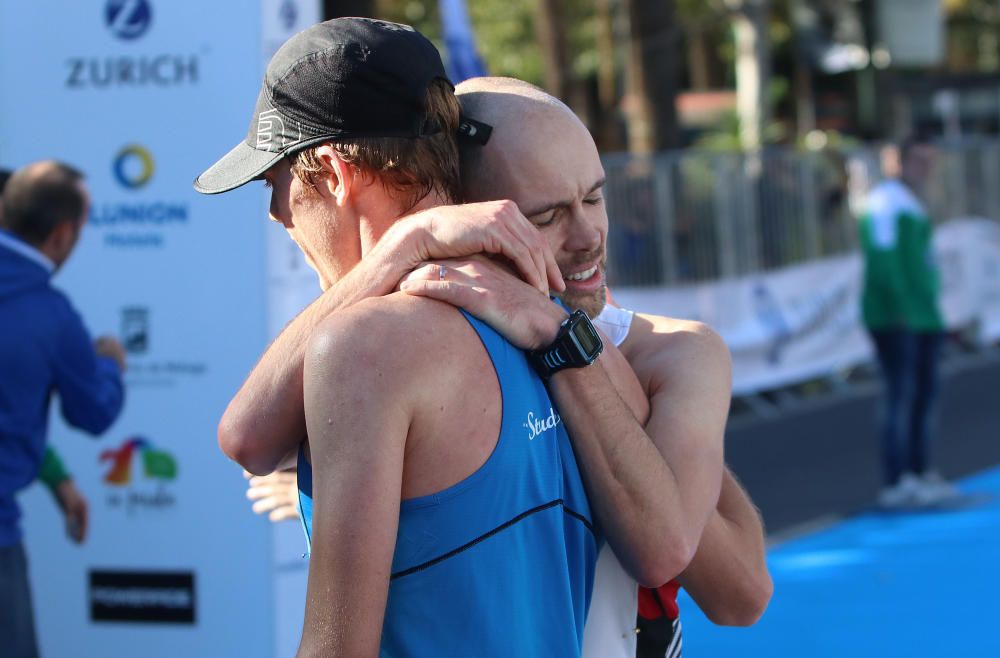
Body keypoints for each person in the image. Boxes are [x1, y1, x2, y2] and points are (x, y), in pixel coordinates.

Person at [236, 69, 767, 657]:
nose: (590, 235)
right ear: (478, 218)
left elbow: (737, 592)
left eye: (595, 196)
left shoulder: (662, 351)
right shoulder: (420, 343)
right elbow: (243, 438)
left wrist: (563, 338)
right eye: (547, 216)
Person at [0, 161, 126, 658]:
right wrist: (111, 367)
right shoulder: (52, 316)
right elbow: (94, 412)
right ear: (62, 234)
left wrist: (56, 477)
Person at [860, 139, 956, 509]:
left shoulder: (909, 203)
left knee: (923, 394)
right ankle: (896, 480)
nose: (926, 169)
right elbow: (883, 261)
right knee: (900, 395)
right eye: (918, 160)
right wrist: (899, 308)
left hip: (923, 315)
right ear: (897, 163)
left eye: (930, 160)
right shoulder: (886, 202)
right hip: (898, 317)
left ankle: (919, 471)